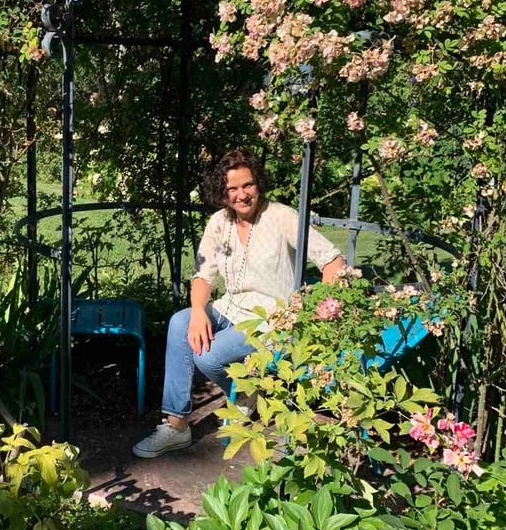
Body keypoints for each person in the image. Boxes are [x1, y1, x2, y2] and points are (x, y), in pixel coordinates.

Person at [132, 149, 346, 458]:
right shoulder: (219, 222)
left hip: (270, 318)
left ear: (258, 183)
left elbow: (333, 262)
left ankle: (246, 393)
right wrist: (196, 313)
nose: (241, 195)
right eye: (232, 189)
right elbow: (203, 275)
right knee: (179, 323)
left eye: (247, 185)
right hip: (230, 307)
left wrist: (313, 316)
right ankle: (177, 425)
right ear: (223, 192)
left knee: (208, 356)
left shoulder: (281, 216)